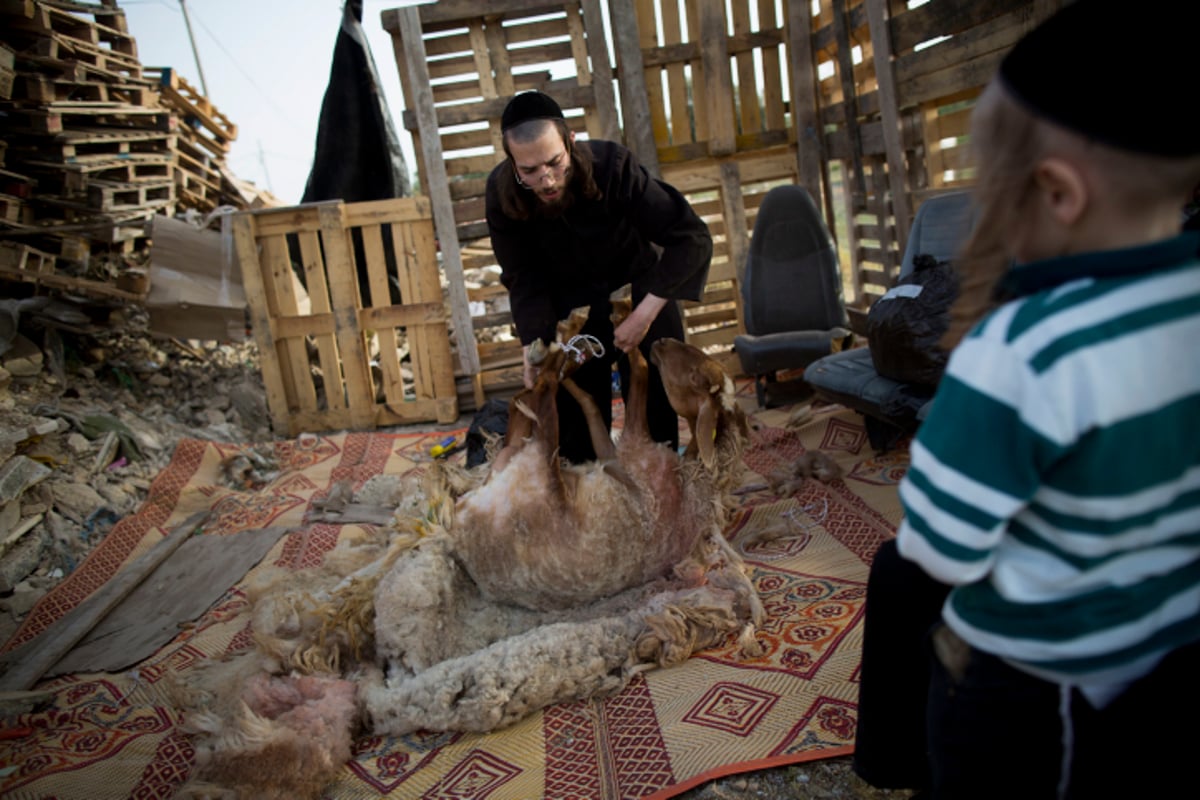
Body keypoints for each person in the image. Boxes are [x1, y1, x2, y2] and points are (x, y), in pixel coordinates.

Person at [852, 1, 1200, 798]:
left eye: (989, 184)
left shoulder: (1021, 352)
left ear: (1055, 193)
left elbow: (940, 549)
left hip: (1034, 685)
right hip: (1159, 655)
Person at [485, 91, 713, 463]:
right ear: (512, 162)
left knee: (655, 434)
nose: (545, 181)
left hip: (640, 292)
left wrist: (644, 314)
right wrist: (533, 342)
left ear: (570, 142)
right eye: (528, 171)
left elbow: (691, 239)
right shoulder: (502, 194)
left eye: (554, 163)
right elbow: (523, 276)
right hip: (572, 310)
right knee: (577, 442)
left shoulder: (614, 166)